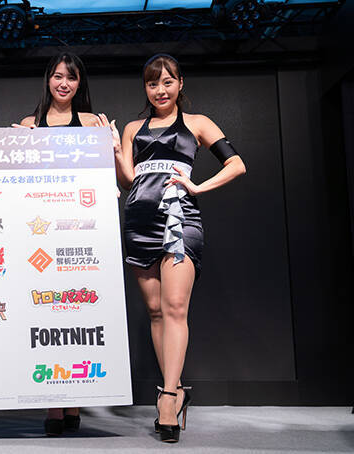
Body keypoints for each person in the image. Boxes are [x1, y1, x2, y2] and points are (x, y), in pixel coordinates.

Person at [108, 53, 246, 443]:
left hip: (179, 219)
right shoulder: (133, 128)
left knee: (174, 308)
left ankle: (168, 397)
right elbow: (129, 180)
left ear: (180, 84)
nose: (160, 90)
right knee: (155, 311)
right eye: (153, 83)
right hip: (139, 221)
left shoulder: (198, 123)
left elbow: (236, 164)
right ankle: (177, 388)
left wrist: (198, 187)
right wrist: (117, 154)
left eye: (167, 82)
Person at [17, 52, 99, 436]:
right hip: (41, 230)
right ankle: (53, 401)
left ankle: (74, 399)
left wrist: (111, 147)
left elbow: (106, 176)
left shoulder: (94, 123)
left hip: (83, 230)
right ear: (48, 79)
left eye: (72, 77)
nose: (64, 83)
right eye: (58, 76)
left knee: (78, 315)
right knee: (47, 315)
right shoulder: (29, 124)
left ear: (80, 83)